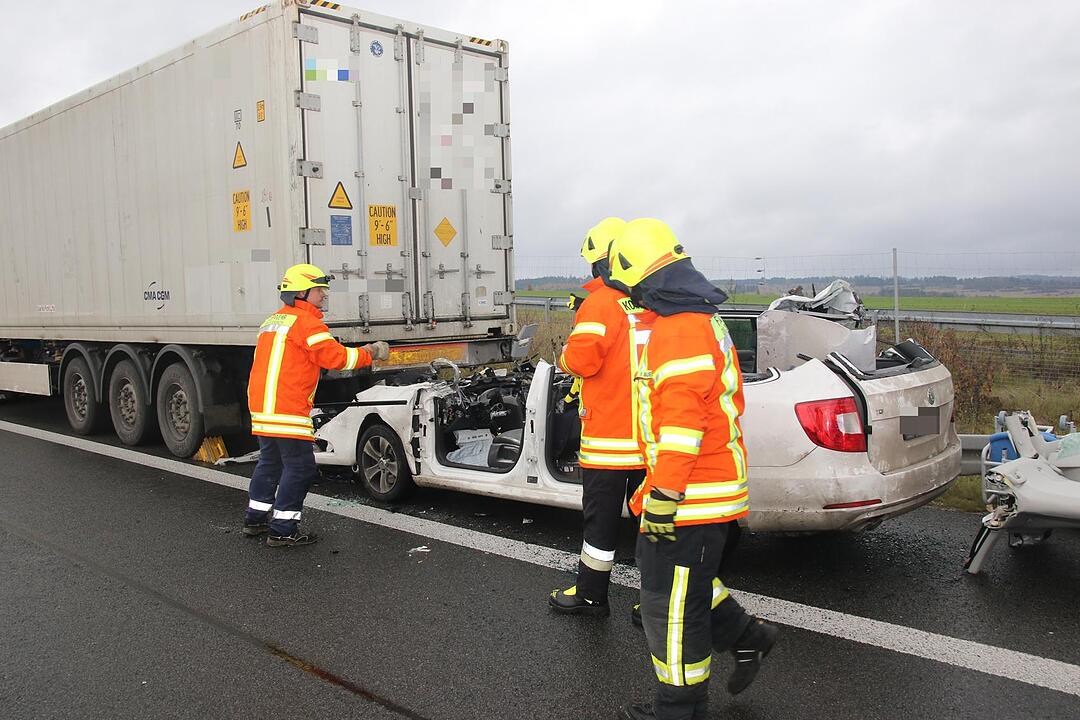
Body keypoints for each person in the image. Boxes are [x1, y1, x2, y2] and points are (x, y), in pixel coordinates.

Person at [608, 220, 779, 720]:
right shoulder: (694, 319)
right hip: (701, 491)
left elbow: (683, 425)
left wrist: (664, 494)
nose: (629, 299)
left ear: (645, 281)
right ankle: (749, 637)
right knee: (685, 585)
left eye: (629, 289)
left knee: (671, 608)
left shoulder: (679, 330)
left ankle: (679, 709)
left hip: (691, 495)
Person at [549, 217, 655, 616]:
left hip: (609, 442)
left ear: (602, 262)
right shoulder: (652, 304)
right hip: (649, 439)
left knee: (600, 526)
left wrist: (562, 354)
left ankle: (592, 596)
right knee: (653, 522)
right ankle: (657, 605)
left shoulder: (600, 303)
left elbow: (581, 361)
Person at [244, 263, 388, 547]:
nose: (323, 295)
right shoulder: (307, 324)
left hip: (264, 407)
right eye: (319, 289)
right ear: (301, 293)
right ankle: (283, 529)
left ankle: (255, 519)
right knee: (300, 467)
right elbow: (337, 359)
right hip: (287, 408)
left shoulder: (274, 321)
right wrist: (370, 352)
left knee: (270, 463)